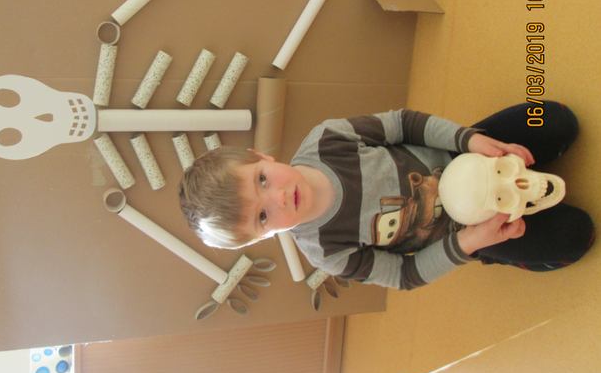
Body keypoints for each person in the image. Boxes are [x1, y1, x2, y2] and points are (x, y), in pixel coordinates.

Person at [178, 101, 594, 290]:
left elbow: (404, 124)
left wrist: (470, 141)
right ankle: (499, 252)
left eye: (263, 181)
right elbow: (404, 274)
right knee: (578, 236)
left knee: (558, 121)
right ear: (263, 238)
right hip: (472, 226)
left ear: (260, 156)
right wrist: (472, 242)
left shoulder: (327, 140)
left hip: (465, 158)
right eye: (263, 217)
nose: (280, 199)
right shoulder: (328, 253)